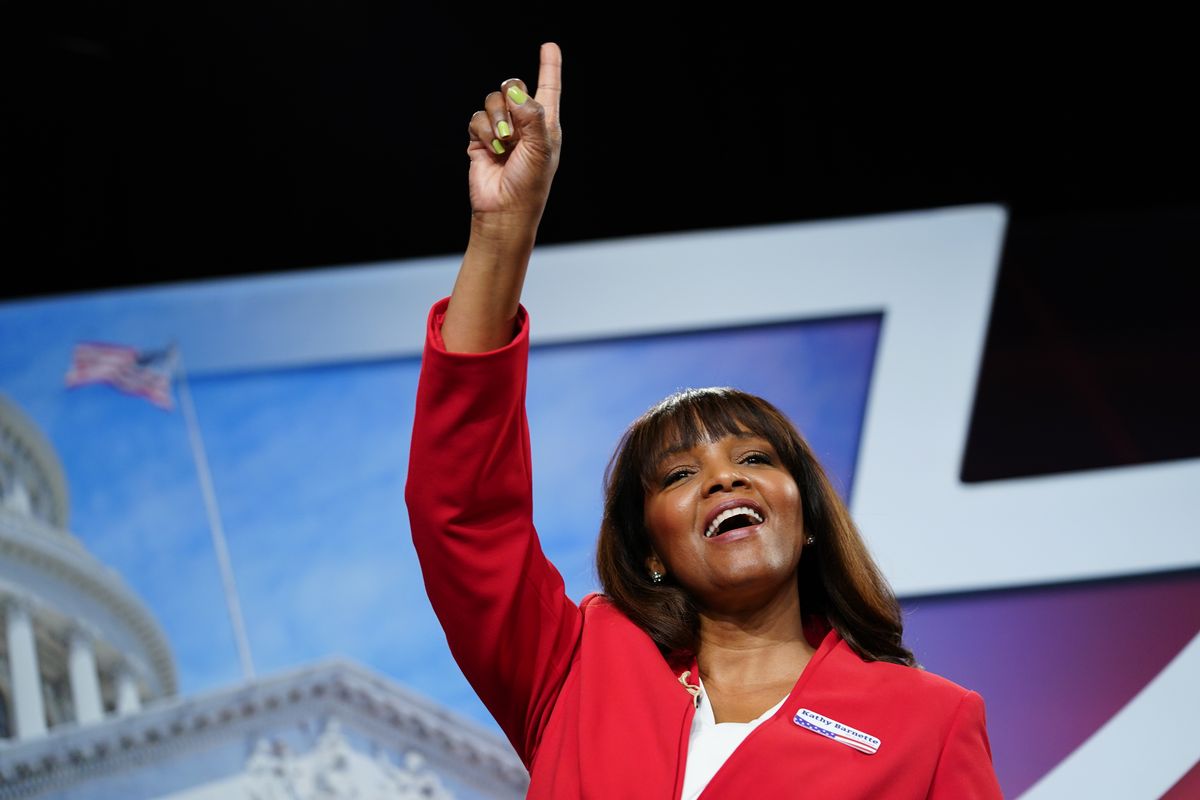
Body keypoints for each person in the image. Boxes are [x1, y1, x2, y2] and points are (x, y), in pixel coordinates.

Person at [405, 42, 1003, 799]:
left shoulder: (929, 722)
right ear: (650, 551)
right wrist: (502, 230)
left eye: (754, 460)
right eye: (681, 475)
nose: (723, 478)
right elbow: (460, 510)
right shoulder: (577, 666)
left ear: (807, 514)